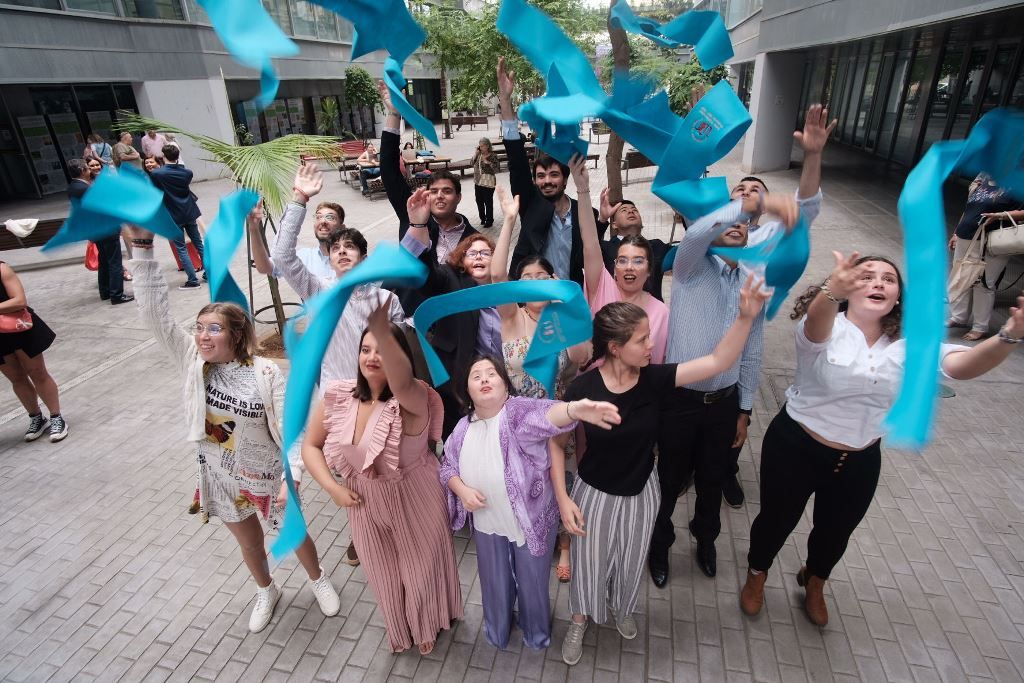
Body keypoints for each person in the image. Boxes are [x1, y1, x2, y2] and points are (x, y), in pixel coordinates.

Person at [740, 253, 1024, 627]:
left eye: (887, 279)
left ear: (897, 297)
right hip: (795, 446)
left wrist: (1009, 336)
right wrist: (829, 291)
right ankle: (757, 574)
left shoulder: (909, 346)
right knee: (776, 520)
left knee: (836, 530)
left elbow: (963, 366)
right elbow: (816, 321)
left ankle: (815, 580)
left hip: (859, 458)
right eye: (866, 276)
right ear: (846, 290)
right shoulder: (829, 327)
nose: (877, 283)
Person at [649, 104, 834, 589]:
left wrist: (746, 406)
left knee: (711, 481)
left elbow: (805, 213)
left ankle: (705, 539)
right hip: (679, 399)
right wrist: (748, 205)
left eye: (755, 195)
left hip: (723, 401)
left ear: (753, 231)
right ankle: (659, 544)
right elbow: (697, 232)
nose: (745, 205)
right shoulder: (690, 264)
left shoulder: (756, 276)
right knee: (669, 481)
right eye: (737, 197)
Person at [124, 225, 341, 634]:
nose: (202, 336)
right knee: (249, 543)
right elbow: (155, 318)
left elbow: (291, 427)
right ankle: (266, 590)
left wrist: (290, 474)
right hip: (220, 474)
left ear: (236, 334)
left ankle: (318, 579)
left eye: (213, 328)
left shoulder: (264, 373)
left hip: (266, 476)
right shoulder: (194, 361)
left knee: (293, 534)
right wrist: (142, 250)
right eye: (199, 328)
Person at [559, 277, 769, 666]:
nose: (652, 345)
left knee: (631, 558)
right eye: (643, 339)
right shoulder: (583, 388)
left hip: (642, 491)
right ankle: (578, 620)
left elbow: (717, 362)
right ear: (615, 348)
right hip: (595, 494)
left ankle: (621, 608)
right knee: (589, 562)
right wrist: (561, 498)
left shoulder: (654, 380)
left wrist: (745, 318)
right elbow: (556, 443)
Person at [301, 298, 463, 654]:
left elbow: (402, 383)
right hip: (362, 500)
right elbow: (310, 447)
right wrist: (332, 489)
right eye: (366, 348)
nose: (373, 356)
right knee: (384, 575)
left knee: (420, 572)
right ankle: (400, 628)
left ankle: (427, 622)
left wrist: (380, 326)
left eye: (384, 350)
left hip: (415, 493)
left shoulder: (413, 397)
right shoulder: (339, 396)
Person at [269, 164, 404, 569]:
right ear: (328, 258)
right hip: (338, 399)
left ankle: (389, 528)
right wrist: (298, 200)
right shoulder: (319, 290)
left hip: (380, 398)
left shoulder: (385, 299)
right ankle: (362, 535)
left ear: (362, 258)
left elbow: (401, 349)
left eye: (351, 247)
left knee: (383, 468)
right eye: (336, 248)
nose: (342, 251)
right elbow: (282, 256)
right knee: (350, 474)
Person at [440, 354, 619, 650]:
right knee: (493, 582)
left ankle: (536, 634)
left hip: (530, 521)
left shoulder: (517, 413)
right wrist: (460, 490)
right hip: (487, 522)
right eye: (476, 376)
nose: (484, 379)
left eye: (491, 374)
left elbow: (548, 416)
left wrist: (574, 409)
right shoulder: (462, 429)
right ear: (467, 391)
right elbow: (446, 466)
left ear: (505, 385)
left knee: (533, 580)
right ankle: (496, 631)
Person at [490, 186, 590, 582]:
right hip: (519, 417)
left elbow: (582, 360)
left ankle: (564, 546)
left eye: (541, 276)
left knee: (562, 479)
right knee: (525, 482)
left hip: (559, 416)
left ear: (553, 280)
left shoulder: (564, 320)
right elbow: (497, 274)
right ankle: (533, 536)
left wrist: (571, 312)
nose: (533, 282)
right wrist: (509, 219)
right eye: (526, 278)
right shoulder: (511, 318)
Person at [496, 58, 604, 286]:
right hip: (533, 297)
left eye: (554, 175)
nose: (547, 181)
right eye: (541, 176)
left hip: (571, 296)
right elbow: (516, 159)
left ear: (565, 179)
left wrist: (603, 218)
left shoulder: (582, 212)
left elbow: (593, 244)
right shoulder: (530, 203)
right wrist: (505, 102)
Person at [400, 188, 498, 438]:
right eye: (471, 253)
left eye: (485, 253)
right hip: (455, 382)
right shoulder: (450, 279)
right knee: (459, 443)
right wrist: (418, 224)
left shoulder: (505, 292)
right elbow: (425, 272)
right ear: (460, 260)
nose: (478, 257)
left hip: (498, 383)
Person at [378, 81, 477, 312]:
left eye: (447, 191)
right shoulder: (413, 219)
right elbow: (389, 169)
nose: (439, 196)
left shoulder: (473, 239)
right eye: (434, 191)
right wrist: (394, 113)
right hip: (410, 316)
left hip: (454, 320)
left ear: (459, 197)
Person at [577, 156, 668, 363]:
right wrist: (583, 189)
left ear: (649, 269)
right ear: (614, 266)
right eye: (622, 260)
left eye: (638, 261)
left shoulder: (661, 312)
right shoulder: (602, 288)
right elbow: (590, 242)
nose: (629, 267)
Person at [948, 173, 1024, 341]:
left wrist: (1000, 216)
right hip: (966, 235)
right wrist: (956, 232)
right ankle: (959, 317)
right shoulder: (983, 178)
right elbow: (969, 208)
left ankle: (980, 326)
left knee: (984, 283)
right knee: (962, 276)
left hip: (992, 241)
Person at [0, 260, 66, 443]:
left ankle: (56, 417)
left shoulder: (2, 268)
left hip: (18, 327)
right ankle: (36, 417)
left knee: (37, 372)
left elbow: (19, 300)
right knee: (16, 378)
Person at [68, 159, 132, 306]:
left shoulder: (74, 187)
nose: (90, 170)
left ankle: (105, 292)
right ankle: (117, 294)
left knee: (104, 260)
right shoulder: (84, 188)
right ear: (82, 170)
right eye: (87, 168)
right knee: (114, 261)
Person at [249, 193, 344, 281]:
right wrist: (253, 229)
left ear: (342, 227)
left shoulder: (353, 258)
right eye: (318, 217)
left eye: (330, 217)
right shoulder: (305, 257)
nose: (323, 221)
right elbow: (264, 267)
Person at [596, 192, 671, 301]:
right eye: (624, 210)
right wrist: (602, 220)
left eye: (634, 210)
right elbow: (582, 256)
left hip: (652, 314)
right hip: (616, 313)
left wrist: (685, 216)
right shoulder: (605, 248)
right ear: (614, 224)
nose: (631, 211)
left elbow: (688, 252)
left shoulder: (656, 246)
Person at [149, 144, 205, 290]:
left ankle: (193, 280)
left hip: (173, 213)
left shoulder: (157, 174)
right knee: (198, 243)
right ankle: (209, 273)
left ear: (163, 156)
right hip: (189, 210)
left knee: (181, 248)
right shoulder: (187, 173)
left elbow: (156, 193)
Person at [471, 138, 498, 227]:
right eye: (480, 145)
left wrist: (488, 163)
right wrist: (475, 153)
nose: (481, 147)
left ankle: (489, 220)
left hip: (488, 183)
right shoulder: (478, 155)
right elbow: (471, 163)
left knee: (488, 202)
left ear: (487, 146)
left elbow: (497, 168)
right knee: (479, 201)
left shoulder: (493, 156)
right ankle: (482, 218)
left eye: (482, 146)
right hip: (478, 182)